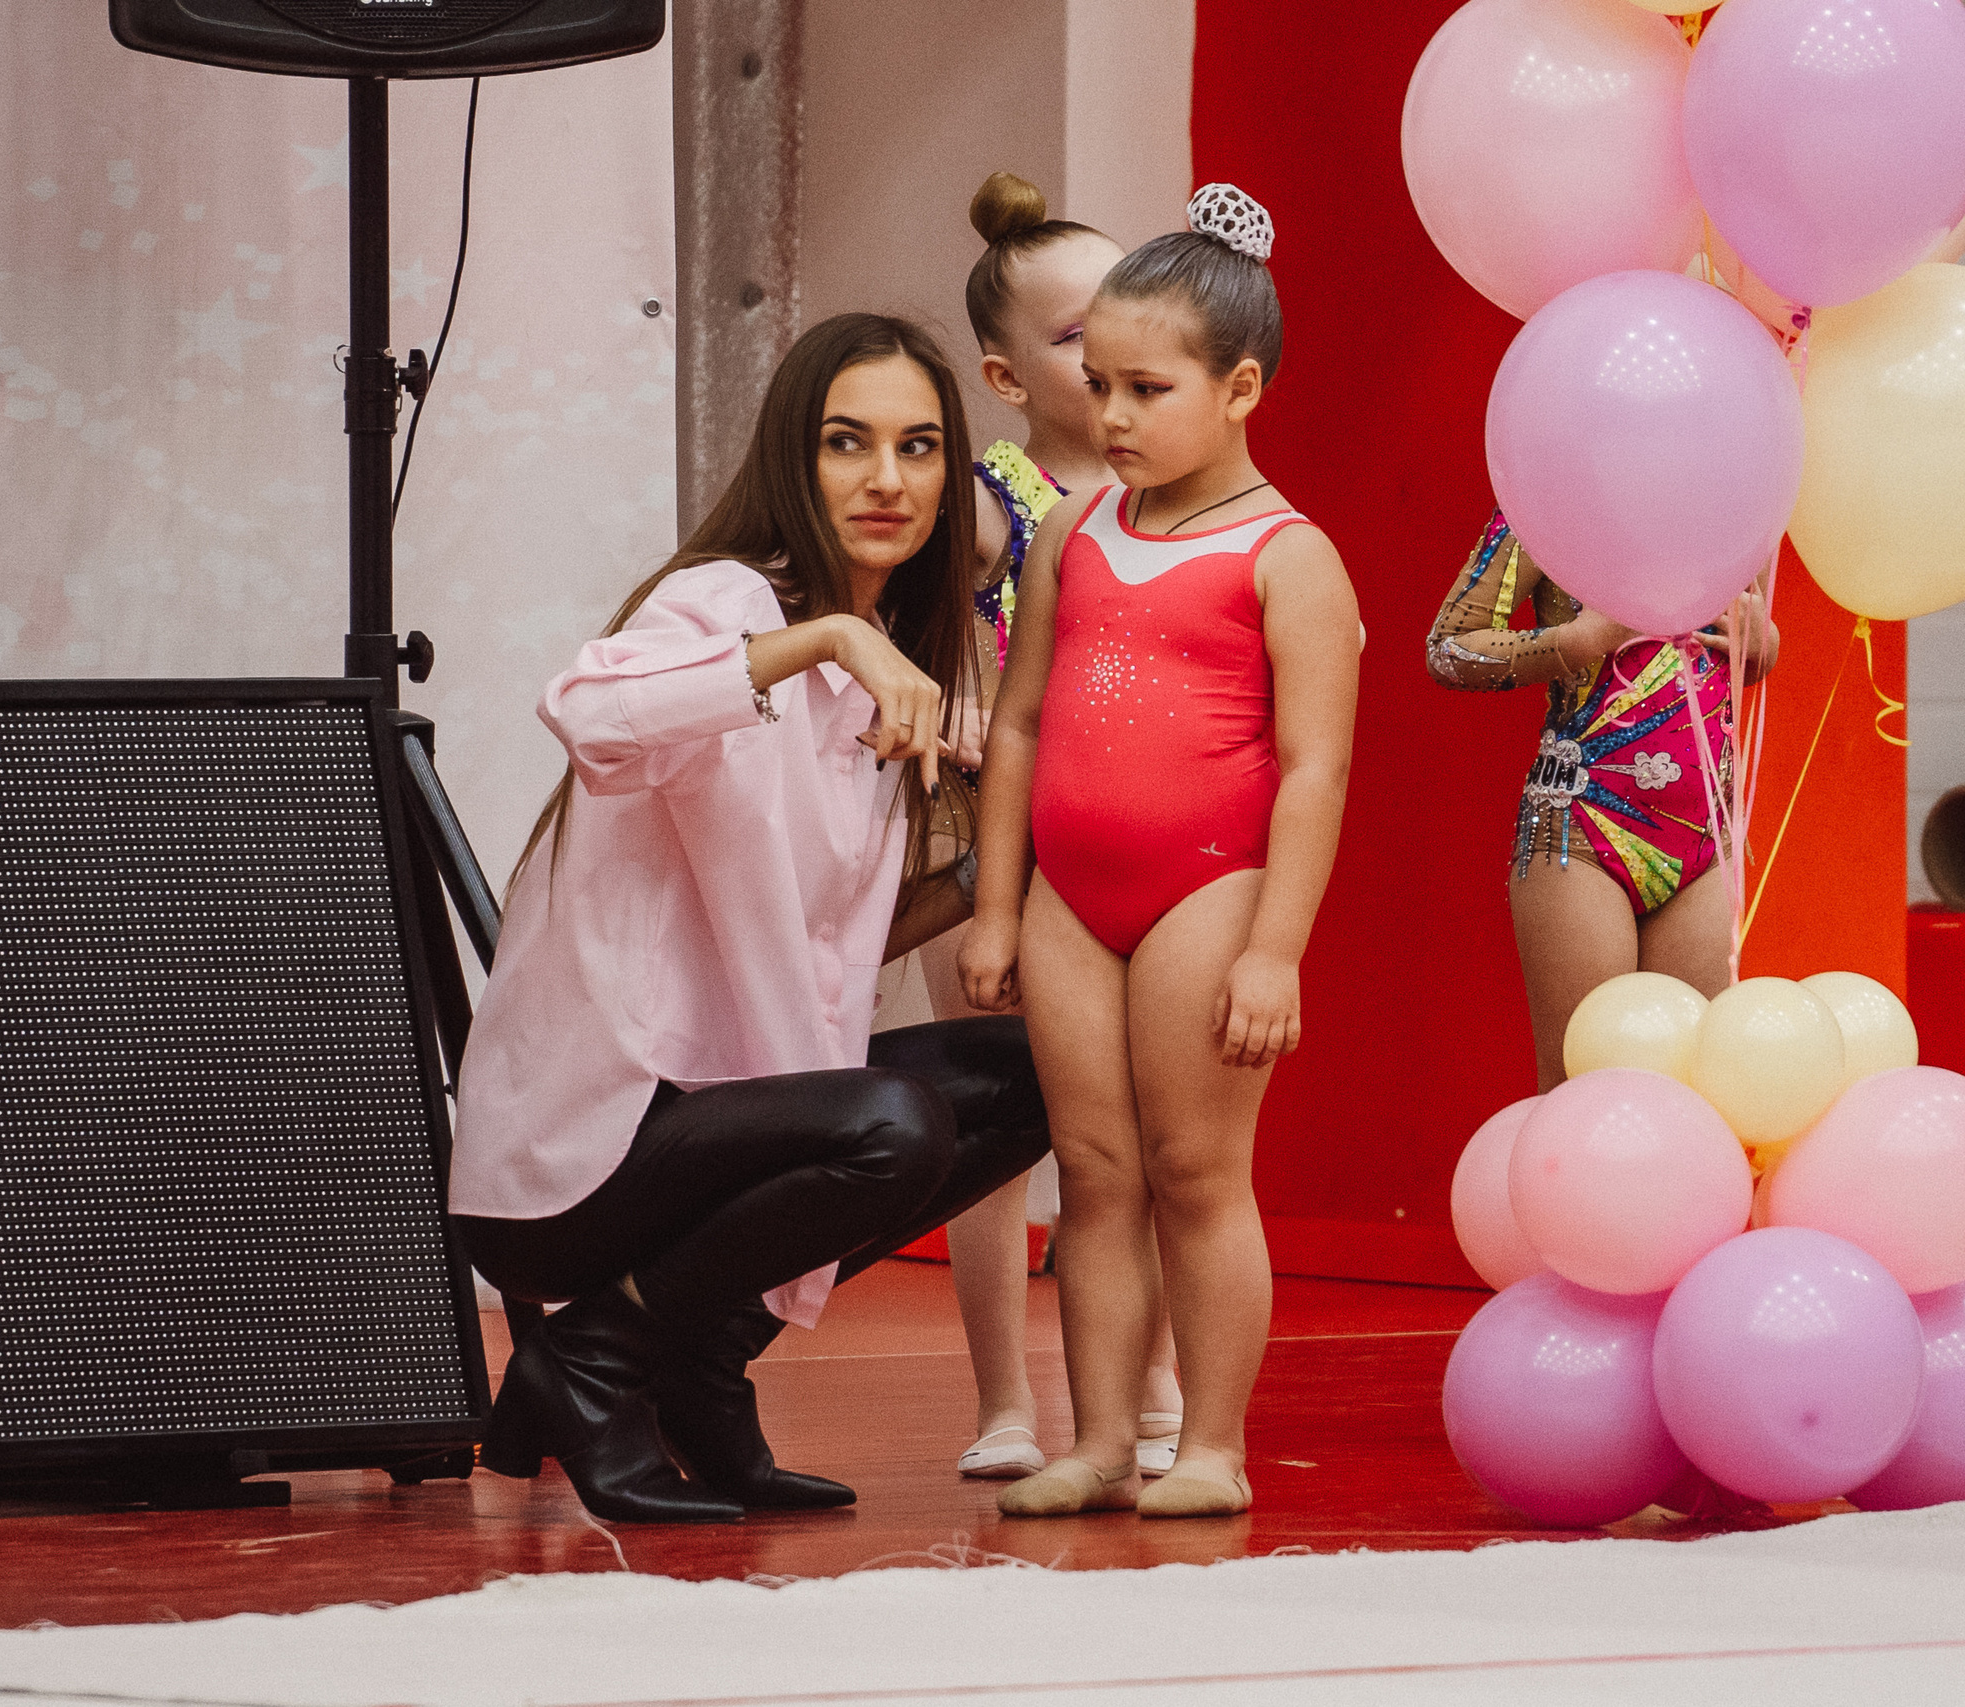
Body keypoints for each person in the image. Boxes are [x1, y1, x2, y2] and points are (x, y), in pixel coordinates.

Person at [449, 313, 1054, 1524]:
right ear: (794, 457)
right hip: (588, 1152)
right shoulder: (726, 602)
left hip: (723, 1119)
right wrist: (822, 637)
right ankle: (598, 1359)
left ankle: (698, 1371)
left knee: (1036, 1077)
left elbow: (824, 941)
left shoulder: (886, 658)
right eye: (847, 443)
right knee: (889, 1126)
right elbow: (585, 714)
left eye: (920, 448)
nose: (887, 480)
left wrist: (995, 846)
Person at [962, 185, 1361, 1519]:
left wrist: (1273, 951)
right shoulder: (1078, 527)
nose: (1114, 416)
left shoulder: (1289, 554)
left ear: (1240, 386)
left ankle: (1212, 1443)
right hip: (1073, 896)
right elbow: (1016, 725)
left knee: (1195, 1170)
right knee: (1095, 1172)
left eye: (1149, 388)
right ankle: (1093, 1438)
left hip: (1209, 889)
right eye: (1100, 384)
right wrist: (998, 908)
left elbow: (1314, 768)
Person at [929, 171, 1183, 1485]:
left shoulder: (1175, 492)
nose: (1117, 349)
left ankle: (1148, 1374)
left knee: (1130, 1122)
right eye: (1080, 335)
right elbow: (921, 603)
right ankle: (1002, 1393)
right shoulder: (993, 498)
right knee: (991, 1130)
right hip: (995, 848)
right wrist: (951, 676)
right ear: (1008, 373)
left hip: (1129, 847)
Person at [1425, 514, 1777, 1091]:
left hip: (1706, 840)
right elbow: (1449, 650)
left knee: (1695, 1097)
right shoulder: (1549, 494)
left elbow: (1741, 643)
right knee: (1583, 1091)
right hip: (1583, 830)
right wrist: (1576, 640)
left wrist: (1763, 646)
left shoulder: (1730, 485)